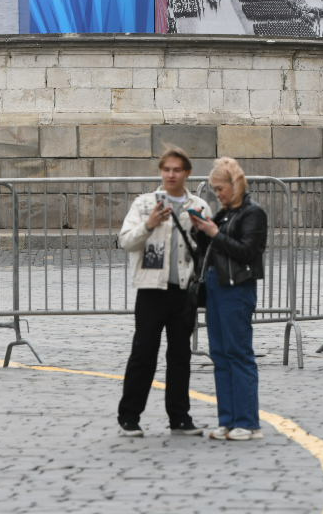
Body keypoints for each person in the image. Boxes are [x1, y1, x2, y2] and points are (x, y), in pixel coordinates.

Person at [115, 147, 212, 438]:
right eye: (167, 169)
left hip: (184, 290)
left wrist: (203, 230)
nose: (171, 175)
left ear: (187, 173)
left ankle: (180, 417)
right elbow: (126, 242)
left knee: (180, 355)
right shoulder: (145, 203)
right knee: (143, 354)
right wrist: (149, 224)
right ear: (161, 171)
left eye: (177, 170)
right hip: (151, 288)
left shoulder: (199, 205)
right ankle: (129, 417)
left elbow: (207, 250)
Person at [191, 156, 267, 440]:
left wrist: (213, 232)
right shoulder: (222, 214)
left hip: (237, 288)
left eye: (220, 189)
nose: (218, 195)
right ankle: (228, 419)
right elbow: (207, 250)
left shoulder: (253, 213)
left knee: (239, 353)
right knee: (220, 354)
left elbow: (247, 251)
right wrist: (200, 230)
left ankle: (248, 422)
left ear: (234, 186)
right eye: (214, 189)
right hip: (216, 286)